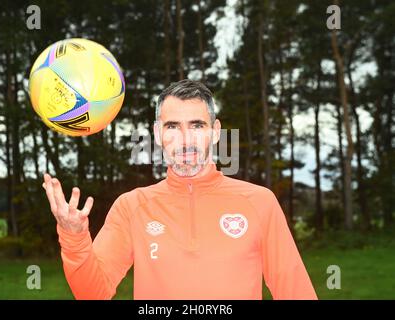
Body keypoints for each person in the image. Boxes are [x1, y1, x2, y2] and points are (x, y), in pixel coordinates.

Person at [42, 79, 318, 300]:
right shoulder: (131, 206)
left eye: (197, 125)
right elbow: (93, 294)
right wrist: (74, 237)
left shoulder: (259, 202)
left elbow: (294, 290)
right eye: (173, 126)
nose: (186, 139)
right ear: (158, 133)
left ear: (216, 131)